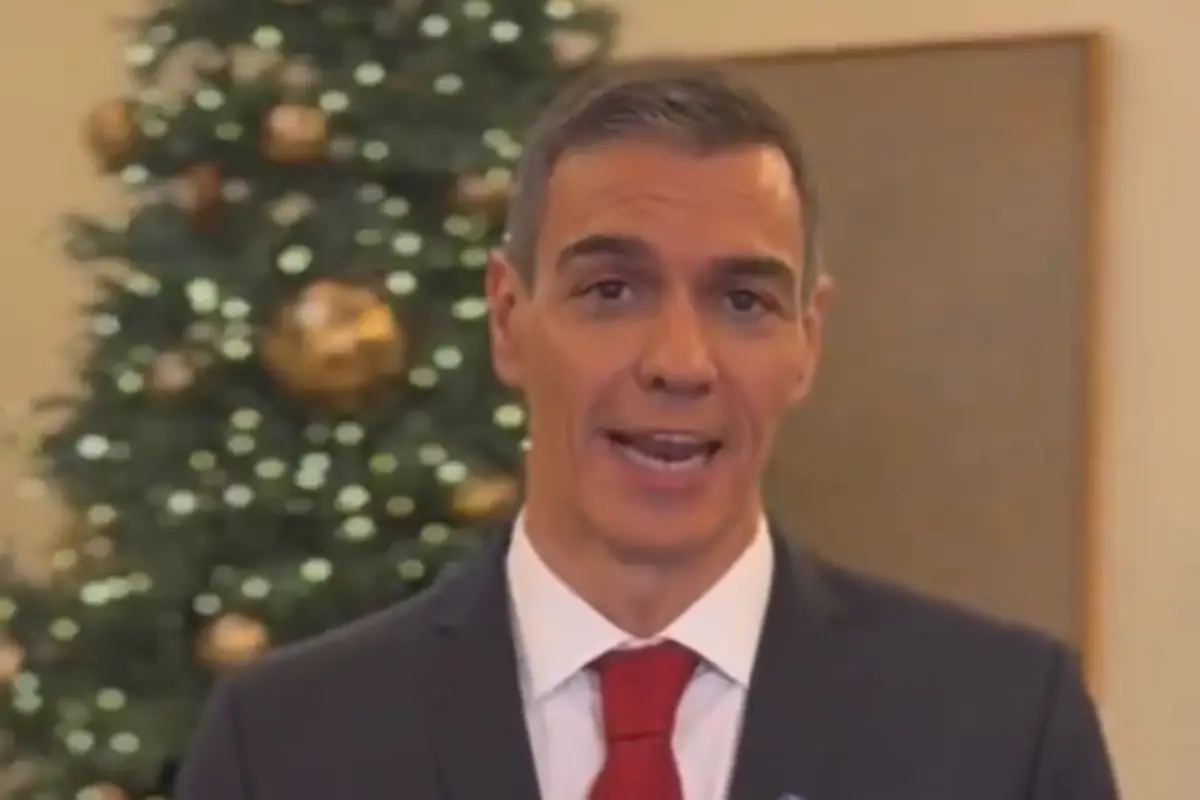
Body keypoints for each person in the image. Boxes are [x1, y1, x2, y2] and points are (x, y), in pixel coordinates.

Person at [175, 64, 1120, 800]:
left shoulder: (1001, 730)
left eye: (744, 300)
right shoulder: (288, 744)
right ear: (508, 317)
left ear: (807, 342)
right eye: (611, 292)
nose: (680, 361)